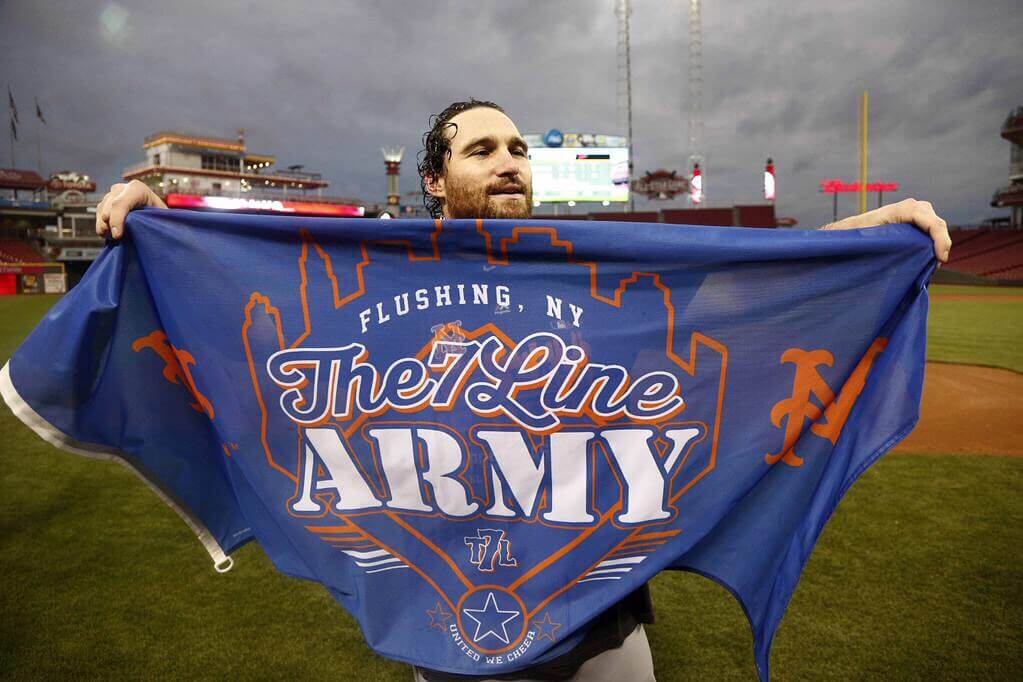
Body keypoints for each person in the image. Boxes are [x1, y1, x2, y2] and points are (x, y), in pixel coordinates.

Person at [95, 99, 952, 682]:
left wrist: (866, 238)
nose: (508, 163)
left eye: (517, 150)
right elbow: (243, 273)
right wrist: (153, 214)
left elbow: (760, 288)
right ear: (432, 179)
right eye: (480, 149)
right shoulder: (374, 275)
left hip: (606, 632)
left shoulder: (595, 266)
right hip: (441, 634)